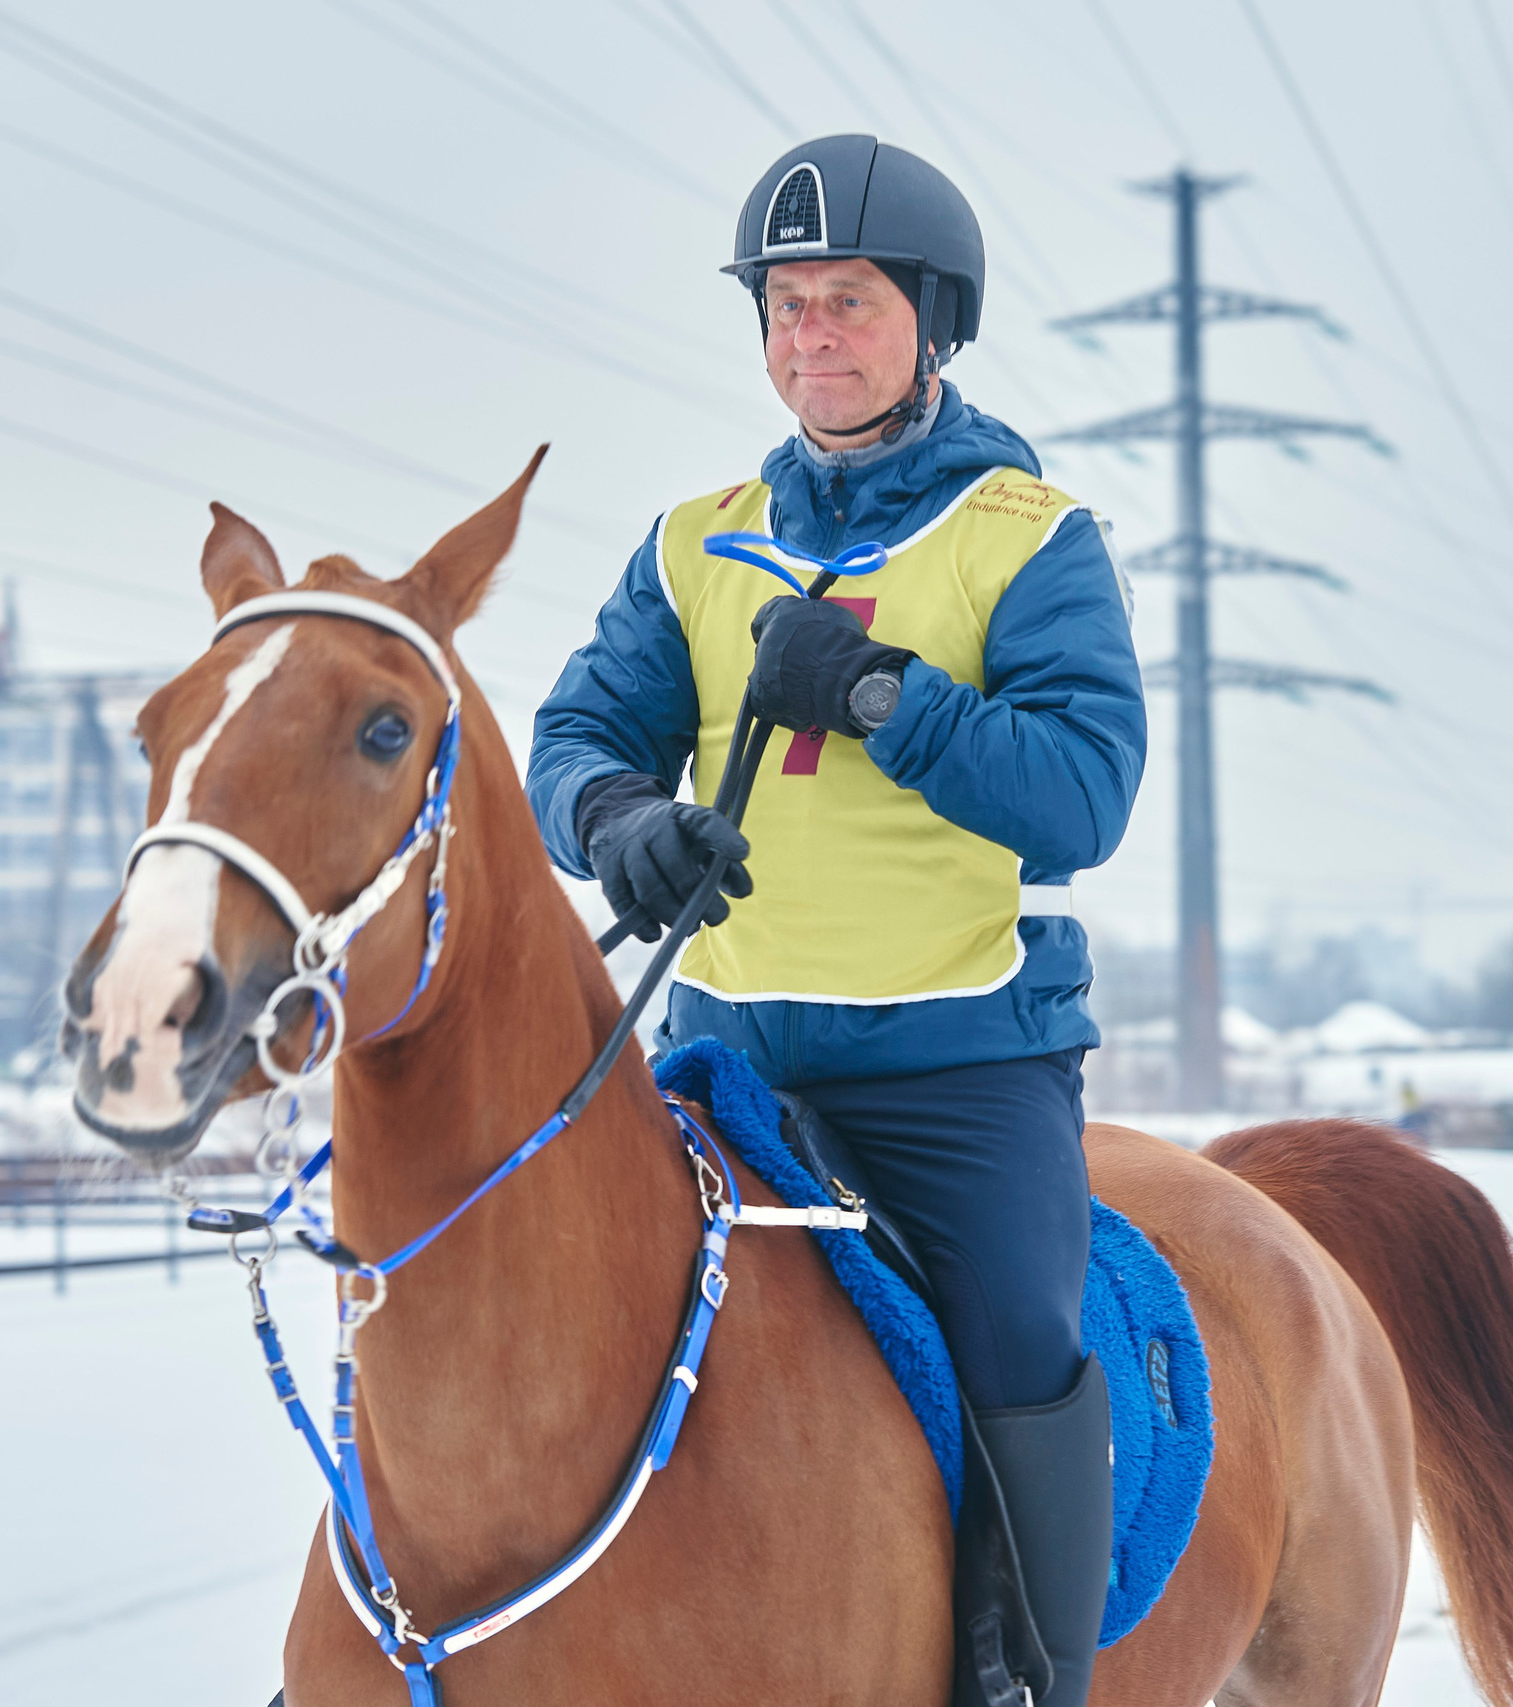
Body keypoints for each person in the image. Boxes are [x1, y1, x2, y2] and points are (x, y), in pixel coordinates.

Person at [526, 134, 1144, 1707]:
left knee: (1017, 1329)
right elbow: (575, 737)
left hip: (958, 1067)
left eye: (848, 303)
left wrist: (884, 696)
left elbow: (1083, 795)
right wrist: (617, 827)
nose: (813, 337)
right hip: (724, 1060)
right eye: (787, 306)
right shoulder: (693, 542)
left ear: (930, 321)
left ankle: (1026, 1669)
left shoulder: (1029, 537)